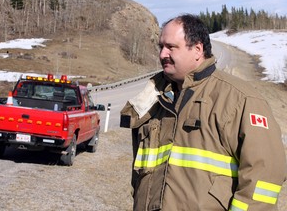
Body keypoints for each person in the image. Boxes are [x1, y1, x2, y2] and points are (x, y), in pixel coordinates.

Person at [120, 14, 287, 211]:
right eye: (161, 47)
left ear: (197, 50)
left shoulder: (240, 99)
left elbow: (264, 177)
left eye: (171, 47)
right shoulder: (154, 98)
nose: (163, 54)